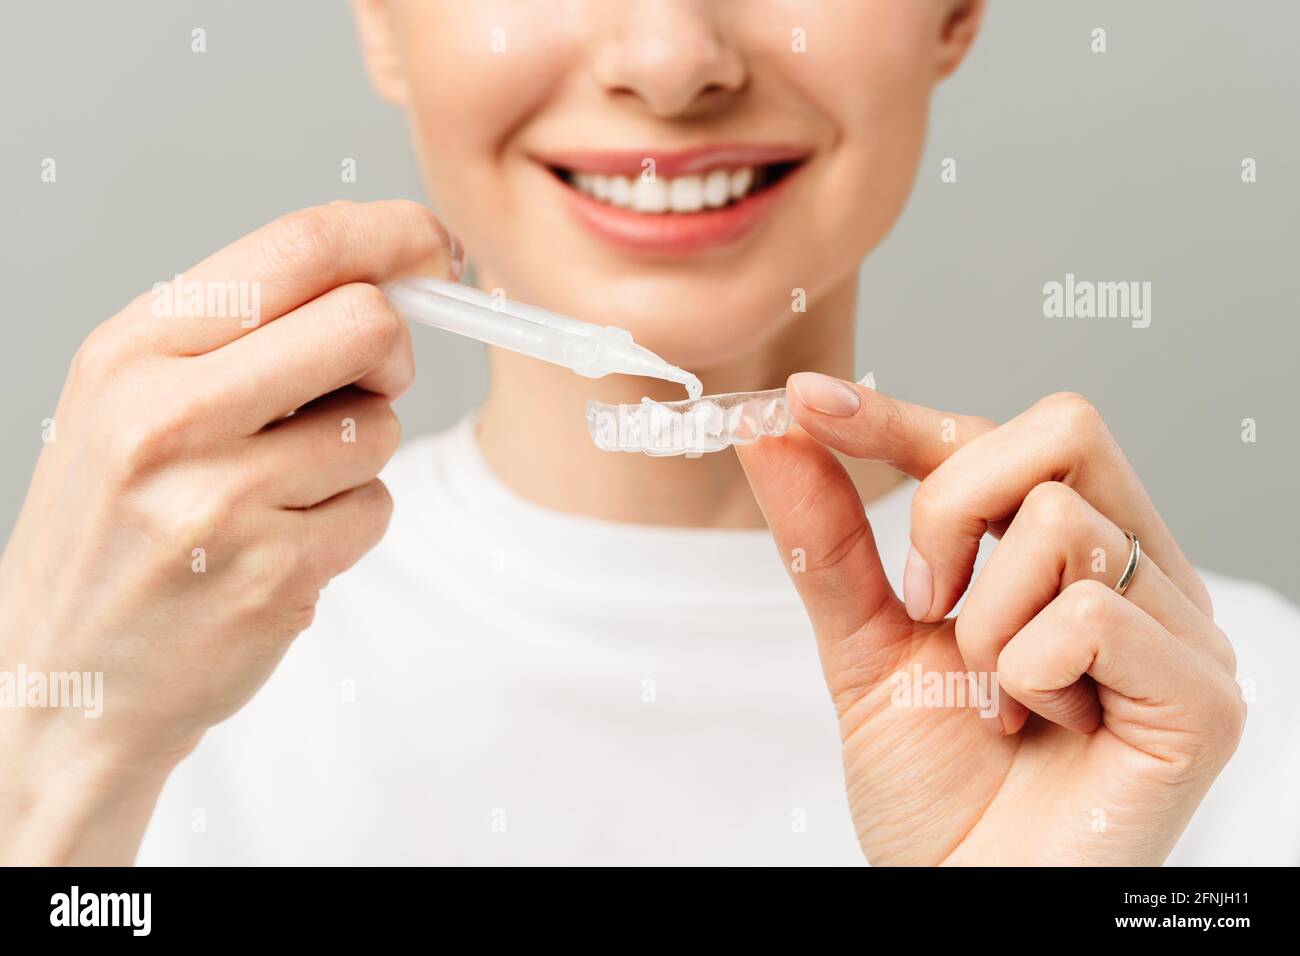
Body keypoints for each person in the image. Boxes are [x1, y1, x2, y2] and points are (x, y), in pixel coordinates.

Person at [2, 0, 1297, 866]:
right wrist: (50, 757)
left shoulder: (1218, 718)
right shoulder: (125, 673)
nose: (671, 60)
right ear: (381, 19)